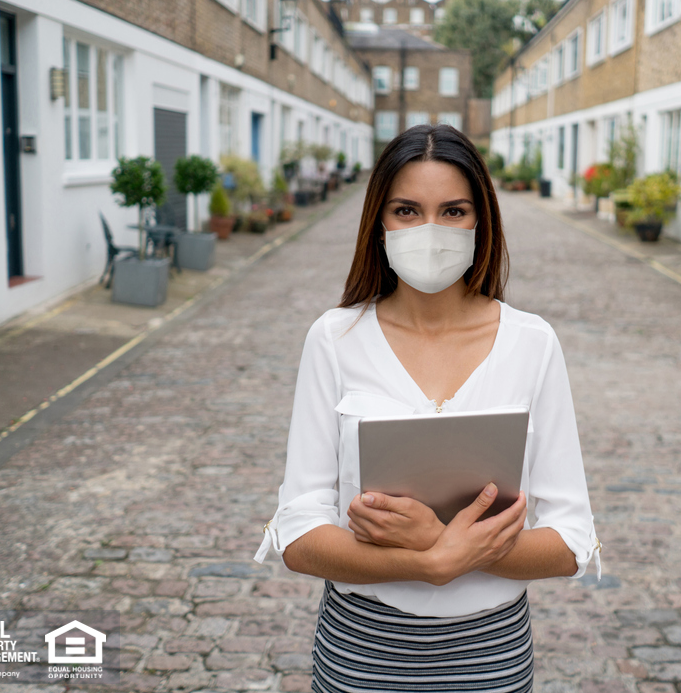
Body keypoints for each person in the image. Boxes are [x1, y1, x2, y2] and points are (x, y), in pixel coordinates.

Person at [254, 124, 601, 693]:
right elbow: (297, 533)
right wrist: (423, 561)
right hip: (361, 653)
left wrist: (435, 538)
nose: (430, 231)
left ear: (480, 220)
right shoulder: (335, 338)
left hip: (491, 656)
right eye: (408, 211)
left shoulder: (533, 343)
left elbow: (569, 542)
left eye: (454, 211)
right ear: (379, 223)